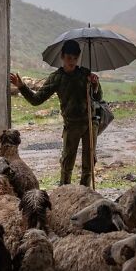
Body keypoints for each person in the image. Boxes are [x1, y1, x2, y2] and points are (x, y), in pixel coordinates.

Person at [10, 39, 101, 187]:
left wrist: (95, 85)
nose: (71, 61)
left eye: (75, 58)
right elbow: (36, 100)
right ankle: (64, 194)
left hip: (91, 123)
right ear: (62, 57)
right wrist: (22, 86)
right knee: (67, 163)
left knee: (89, 162)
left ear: (78, 57)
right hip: (72, 125)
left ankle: (86, 194)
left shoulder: (86, 74)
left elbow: (98, 98)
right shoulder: (57, 78)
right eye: (68, 58)